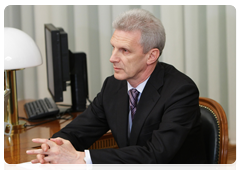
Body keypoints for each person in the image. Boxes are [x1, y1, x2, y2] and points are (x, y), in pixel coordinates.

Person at [26, 9, 209, 170]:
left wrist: (81, 159)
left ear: (151, 55)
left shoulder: (180, 91)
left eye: (124, 50)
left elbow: (154, 156)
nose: (112, 58)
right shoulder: (113, 85)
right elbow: (80, 130)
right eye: (113, 47)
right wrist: (54, 147)